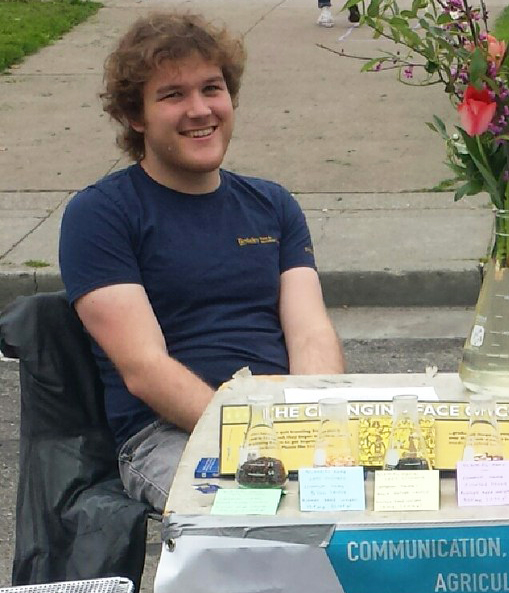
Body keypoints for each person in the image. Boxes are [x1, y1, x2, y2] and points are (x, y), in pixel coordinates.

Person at [59, 12, 345, 511]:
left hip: (284, 422)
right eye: (172, 95)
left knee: (387, 505)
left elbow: (311, 334)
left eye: (211, 89)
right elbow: (144, 368)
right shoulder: (100, 214)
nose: (199, 110)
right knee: (261, 520)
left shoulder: (273, 205)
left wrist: (310, 425)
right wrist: (254, 439)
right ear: (136, 115)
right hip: (171, 435)